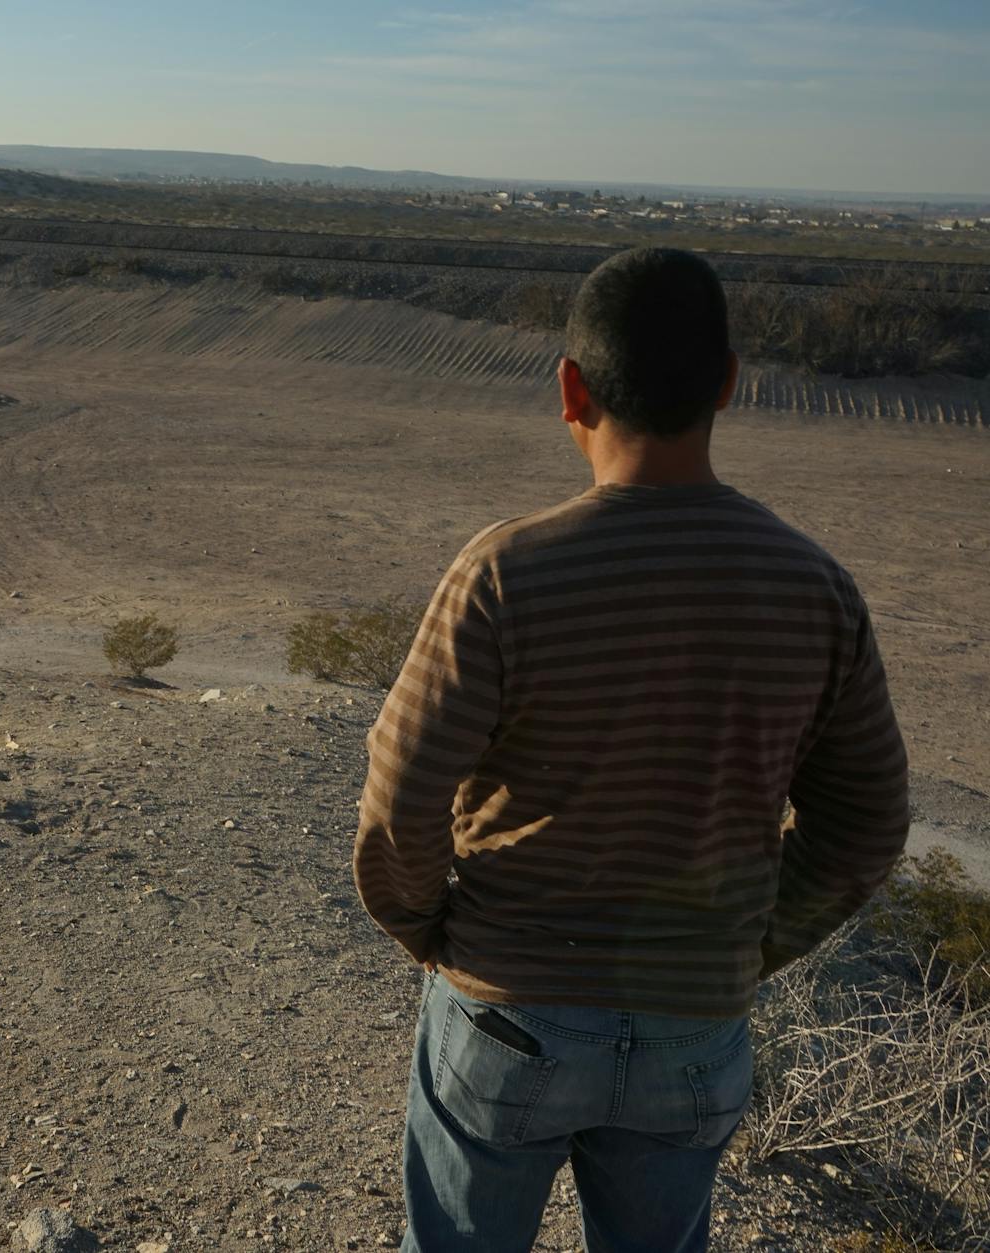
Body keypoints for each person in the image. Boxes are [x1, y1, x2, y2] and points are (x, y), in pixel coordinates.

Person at [353, 247, 910, 1252]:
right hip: (692, 1032)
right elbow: (867, 821)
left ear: (569, 388)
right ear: (729, 384)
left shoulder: (501, 575)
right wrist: (742, 947)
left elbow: (399, 798)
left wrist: (428, 927)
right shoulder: (812, 587)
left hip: (504, 1011)